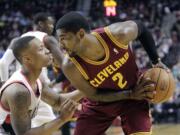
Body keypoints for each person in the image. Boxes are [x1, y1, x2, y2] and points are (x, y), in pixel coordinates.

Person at [53, 12, 169, 135]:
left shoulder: (117, 35)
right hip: (100, 105)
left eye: (64, 39)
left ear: (81, 34)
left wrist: (156, 61)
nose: (61, 46)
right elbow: (94, 95)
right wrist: (129, 94)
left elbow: (141, 28)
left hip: (134, 97)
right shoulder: (70, 66)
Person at [0, 36, 83, 135]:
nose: (48, 51)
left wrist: (89, 88)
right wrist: (61, 119)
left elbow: (57, 101)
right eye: (41, 49)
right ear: (27, 59)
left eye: (45, 47)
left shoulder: (38, 79)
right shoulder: (19, 91)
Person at [0, 12, 59, 128]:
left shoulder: (18, 40)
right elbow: (63, 62)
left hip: (26, 83)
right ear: (41, 24)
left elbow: (3, 63)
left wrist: (4, 83)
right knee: (44, 125)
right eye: (50, 24)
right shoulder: (47, 39)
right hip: (34, 85)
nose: (52, 27)